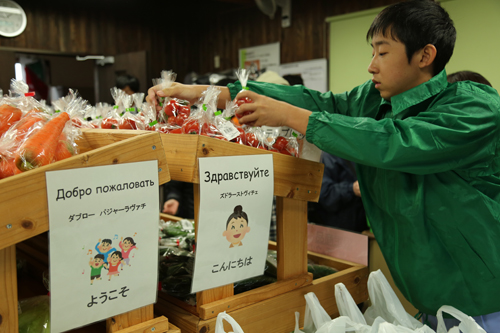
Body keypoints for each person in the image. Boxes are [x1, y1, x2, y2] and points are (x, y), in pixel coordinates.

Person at [147, 1, 500, 330]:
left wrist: (293, 117)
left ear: (425, 55)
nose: (372, 64)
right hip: (431, 300)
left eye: (383, 51)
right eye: (372, 51)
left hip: (486, 302)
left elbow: (396, 141)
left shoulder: (473, 107)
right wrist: (204, 93)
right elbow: (316, 100)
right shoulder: (375, 100)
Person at [308, 152, 366, 233]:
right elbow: (325, 195)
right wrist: (351, 188)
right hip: (335, 233)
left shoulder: (362, 158)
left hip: (361, 230)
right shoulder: (329, 157)